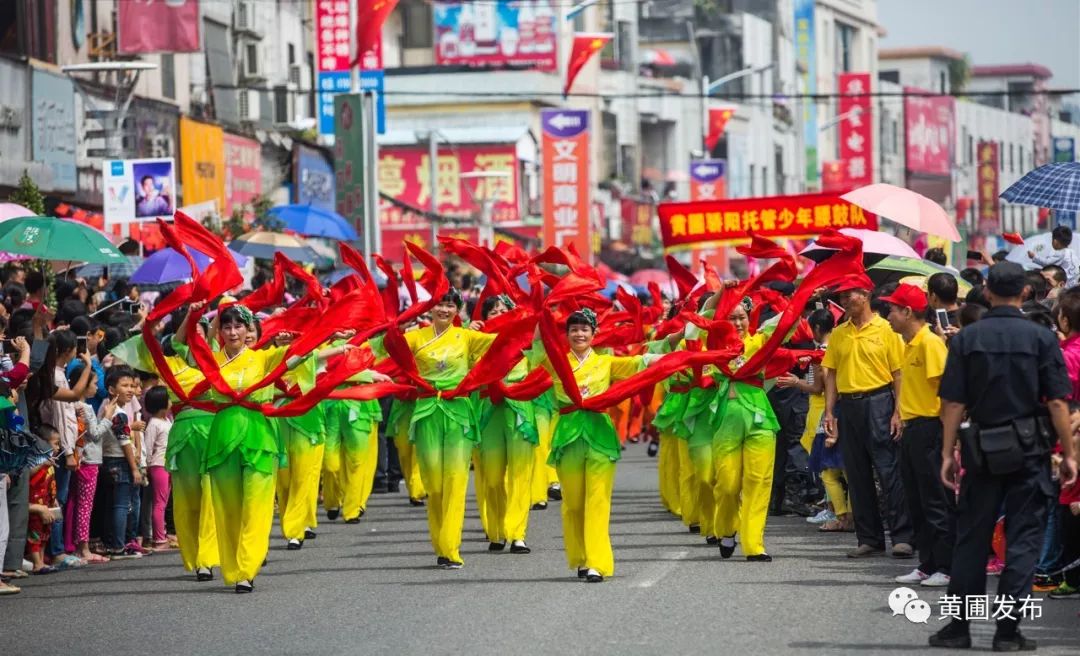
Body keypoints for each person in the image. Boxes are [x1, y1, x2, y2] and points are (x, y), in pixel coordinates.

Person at [931, 261, 1079, 651]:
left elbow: (952, 402)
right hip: (1030, 449)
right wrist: (1068, 454)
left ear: (989, 292)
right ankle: (1008, 632)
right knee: (1024, 542)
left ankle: (959, 627)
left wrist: (948, 453)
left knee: (972, 539)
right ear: (1024, 293)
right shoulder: (1042, 338)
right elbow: (1059, 402)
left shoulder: (966, 338)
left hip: (981, 448)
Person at [371, 290, 498, 570]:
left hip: (458, 412)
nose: (444, 309)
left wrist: (531, 320)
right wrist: (390, 325)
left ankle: (449, 549)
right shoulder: (416, 337)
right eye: (440, 304)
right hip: (427, 410)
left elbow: (509, 341)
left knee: (454, 480)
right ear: (430, 308)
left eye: (450, 305)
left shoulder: (466, 337)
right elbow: (381, 347)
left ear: (458, 310)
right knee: (434, 483)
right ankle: (441, 542)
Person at [822, 275, 915, 559]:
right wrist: (829, 411)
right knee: (857, 474)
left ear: (865, 294)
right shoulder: (839, 333)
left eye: (848, 295)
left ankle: (902, 537)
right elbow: (831, 375)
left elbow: (899, 374)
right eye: (840, 297)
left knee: (888, 471)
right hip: (848, 407)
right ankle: (869, 538)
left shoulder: (886, 330)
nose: (844, 301)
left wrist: (898, 411)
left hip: (879, 402)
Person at [879, 284, 955, 588]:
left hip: (930, 429)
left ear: (908, 311)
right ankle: (927, 563)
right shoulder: (909, 344)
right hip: (912, 428)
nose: (889, 317)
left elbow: (946, 395)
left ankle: (946, 566)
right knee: (917, 500)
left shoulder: (930, 344)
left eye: (893, 310)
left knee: (936, 500)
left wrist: (949, 440)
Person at [474, 295, 536, 554]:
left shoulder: (525, 341)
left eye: (504, 311)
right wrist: (469, 332)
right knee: (492, 476)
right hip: (489, 410)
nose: (499, 315)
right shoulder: (474, 342)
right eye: (493, 312)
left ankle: (517, 533)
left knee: (520, 474)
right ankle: (497, 531)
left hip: (519, 409)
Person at [98, 367, 144, 560]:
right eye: (124, 386)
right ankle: (118, 546)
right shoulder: (119, 413)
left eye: (131, 386)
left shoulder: (111, 410)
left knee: (113, 504)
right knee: (120, 505)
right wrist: (134, 468)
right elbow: (125, 442)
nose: (130, 390)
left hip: (108, 461)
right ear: (111, 389)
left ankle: (112, 543)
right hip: (119, 461)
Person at [142, 386, 172, 550]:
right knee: (159, 503)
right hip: (158, 465)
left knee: (164, 501)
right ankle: (159, 539)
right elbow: (148, 446)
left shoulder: (167, 420)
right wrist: (145, 465)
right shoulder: (153, 423)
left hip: (168, 464)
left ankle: (162, 533)